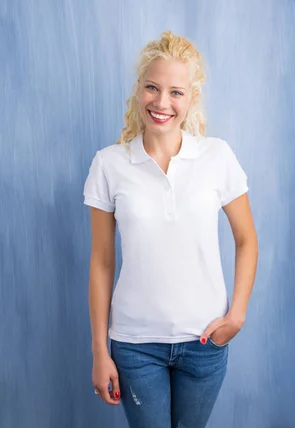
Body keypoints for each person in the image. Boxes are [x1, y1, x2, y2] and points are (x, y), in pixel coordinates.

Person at [83, 31, 258, 428]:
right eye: (152, 88)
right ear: (138, 90)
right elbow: (101, 261)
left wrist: (237, 315)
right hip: (134, 346)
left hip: (204, 342)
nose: (162, 103)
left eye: (176, 92)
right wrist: (99, 350)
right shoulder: (109, 164)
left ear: (191, 98)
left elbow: (247, 240)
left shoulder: (217, 157)